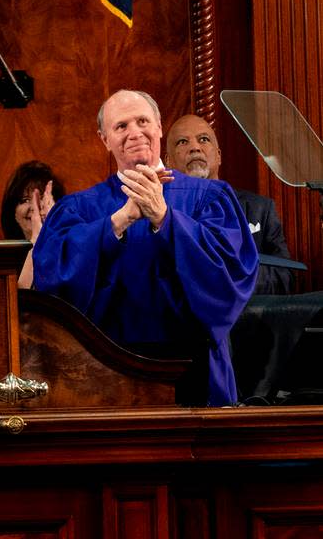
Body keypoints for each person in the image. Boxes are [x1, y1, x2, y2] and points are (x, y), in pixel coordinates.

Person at [32, 90, 258, 406]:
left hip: (194, 371)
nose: (134, 133)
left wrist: (164, 218)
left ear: (159, 127)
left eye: (142, 121)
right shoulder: (80, 209)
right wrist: (117, 222)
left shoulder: (209, 197)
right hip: (104, 372)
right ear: (104, 139)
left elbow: (231, 275)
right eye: (121, 126)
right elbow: (52, 281)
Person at [165, 113, 294, 295]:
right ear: (168, 161)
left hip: (248, 319)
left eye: (203, 139)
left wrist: (227, 279)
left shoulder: (260, 210)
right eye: (182, 142)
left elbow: (284, 277)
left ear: (218, 156)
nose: (195, 147)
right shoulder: (158, 214)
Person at [0, 161, 66, 288]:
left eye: (41, 197)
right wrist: (36, 240)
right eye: (25, 200)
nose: (33, 207)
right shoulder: (3, 261)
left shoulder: (71, 250)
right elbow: (17, 303)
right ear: (12, 211)